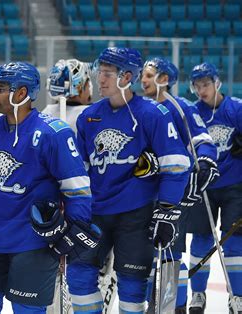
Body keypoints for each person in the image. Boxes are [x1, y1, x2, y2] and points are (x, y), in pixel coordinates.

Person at [0, 61, 100, 314]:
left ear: (22, 93)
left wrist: (71, 234)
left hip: (33, 245)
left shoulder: (53, 133)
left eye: (1, 89)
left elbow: (77, 189)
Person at [74, 47, 190, 313]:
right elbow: (79, 170)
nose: (99, 80)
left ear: (127, 77)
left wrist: (168, 209)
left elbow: (177, 165)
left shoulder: (153, 114)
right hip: (95, 213)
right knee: (79, 277)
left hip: (137, 214)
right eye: (98, 72)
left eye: (107, 73)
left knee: (132, 287)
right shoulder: (88, 117)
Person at [141, 57, 219, 313]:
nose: (142, 79)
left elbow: (202, 139)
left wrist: (206, 161)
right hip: (143, 192)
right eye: (142, 73)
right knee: (148, 256)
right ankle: (155, 304)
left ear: (165, 79)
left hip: (173, 191)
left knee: (169, 254)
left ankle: (175, 307)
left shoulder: (181, 106)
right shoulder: (139, 107)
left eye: (149, 74)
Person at [186, 62, 242, 313]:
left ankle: (237, 296)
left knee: (233, 243)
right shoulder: (193, 112)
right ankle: (198, 294)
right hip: (203, 187)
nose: (201, 90)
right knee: (201, 240)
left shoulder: (236, 108)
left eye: (205, 84)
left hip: (234, 187)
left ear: (217, 83)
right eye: (197, 85)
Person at [44, 58, 94, 132]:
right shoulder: (90, 115)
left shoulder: (46, 113)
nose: (89, 86)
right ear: (79, 88)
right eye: (87, 82)